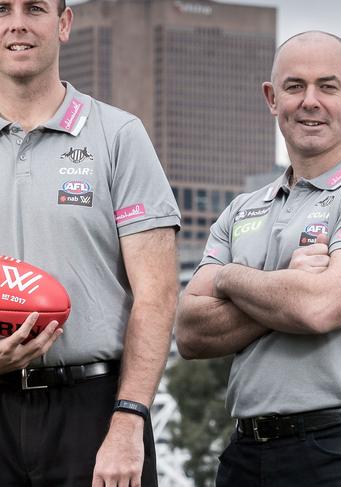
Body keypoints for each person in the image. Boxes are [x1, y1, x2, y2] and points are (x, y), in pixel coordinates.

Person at [175, 31, 341, 486]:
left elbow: (319, 307)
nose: (310, 101)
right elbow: (190, 331)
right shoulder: (243, 209)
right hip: (247, 454)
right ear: (272, 98)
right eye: (295, 87)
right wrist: (286, 285)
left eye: (327, 87)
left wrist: (230, 279)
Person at [0, 1, 180, 486]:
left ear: (63, 23)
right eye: (2, 9)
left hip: (93, 406)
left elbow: (158, 294)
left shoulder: (119, 136)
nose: (16, 23)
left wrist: (128, 419)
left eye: (34, 8)